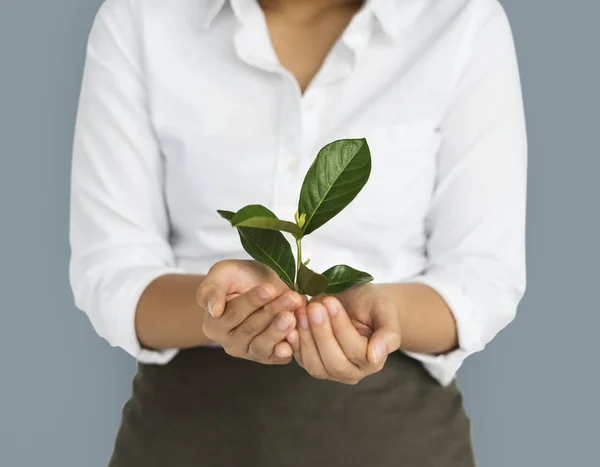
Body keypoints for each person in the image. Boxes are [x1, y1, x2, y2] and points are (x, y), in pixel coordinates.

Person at [69, 0, 527, 465]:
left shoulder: (459, 19)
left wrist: (381, 315)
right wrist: (222, 307)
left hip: (397, 439)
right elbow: (113, 269)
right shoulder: (141, 16)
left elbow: (482, 276)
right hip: (185, 438)